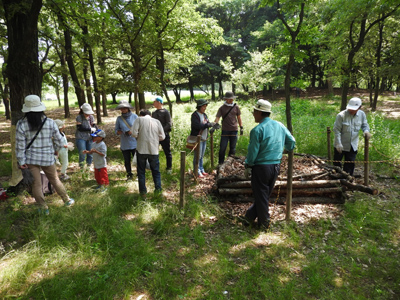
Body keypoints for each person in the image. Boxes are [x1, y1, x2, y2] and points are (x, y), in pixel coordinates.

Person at [16, 95, 75, 215]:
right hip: (48, 158)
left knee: (36, 184)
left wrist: (21, 161)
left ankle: (43, 208)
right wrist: (54, 151)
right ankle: (67, 200)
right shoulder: (50, 122)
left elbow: (20, 146)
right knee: (55, 179)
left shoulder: (21, 124)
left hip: (30, 159)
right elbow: (59, 141)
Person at [241, 99, 295, 230]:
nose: (253, 114)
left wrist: (248, 165)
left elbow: (253, 152)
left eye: (254, 111)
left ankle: (265, 224)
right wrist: (284, 150)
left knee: (262, 196)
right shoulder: (279, 125)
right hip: (276, 166)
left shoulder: (257, 130)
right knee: (263, 195)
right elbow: (291, 142)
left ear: (260, 112)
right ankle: (248, 217)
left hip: (261, 168)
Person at [333, 97, 371, 176]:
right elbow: (336, 130)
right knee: (337, 164)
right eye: (350, 109)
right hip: (340, 144)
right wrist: (338, 144)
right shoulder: (341, 115)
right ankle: (336, 180)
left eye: (354, 109)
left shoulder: (362, 114)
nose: (351, 111)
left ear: (359, 107)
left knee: (350, 164)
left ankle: (347, 180)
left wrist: (366, 131)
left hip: (352, 145)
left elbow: (364, 125)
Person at [131, 109, 165, 196]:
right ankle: (158, 190)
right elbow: (162, 137)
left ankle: (143, 192)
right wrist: (154, 140)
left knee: (141, 172)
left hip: (141, 149)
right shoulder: (157, 121)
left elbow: (134, 133)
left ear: (141, 115)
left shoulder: (139, 119)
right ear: (150, 115)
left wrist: (140, 137)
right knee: (156, 171)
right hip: (154, 150)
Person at [214, 91, 243, 165]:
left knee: (232, 149)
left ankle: (230, 164)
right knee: (222, 148)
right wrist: (215, 125)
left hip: (234, 130)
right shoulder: (222, 108)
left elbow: (239, 118)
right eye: (229, 99)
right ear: (226, 99)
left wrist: (241, 127)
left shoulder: (236, 107)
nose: (231, 100)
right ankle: (220, 164)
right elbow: (217, 117)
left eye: (232, 98)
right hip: (225, 130)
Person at [190, 99, 215, 178]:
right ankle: (197, 172)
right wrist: (207, 125)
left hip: (204, 138)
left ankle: (201, 169)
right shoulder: (194, 115)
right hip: (197, 139)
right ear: (199, 106)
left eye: (205, 106)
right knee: (197, 155)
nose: (205, 108)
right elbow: (197, 126)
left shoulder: (204, 115)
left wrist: (212, 126)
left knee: (201, 155)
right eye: (204, 106)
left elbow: (207, 123)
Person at [115, 100, 138, 180]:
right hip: (125, 143)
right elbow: (116, 130)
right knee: (127, 160)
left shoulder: (135, 116)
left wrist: (132, 131)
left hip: (135, 142)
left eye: (125, 108)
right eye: (122, 108)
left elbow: (140, 128)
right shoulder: (119, 119)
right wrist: (121, 131)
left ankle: (139, 174)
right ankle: (129, 175)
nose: (123, 110)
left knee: (137, 159)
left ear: (128, 108)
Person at [152, 96, 173, 173]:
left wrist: (161, 131)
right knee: (154, 152)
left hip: (165, 135)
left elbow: (169, 124)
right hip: (154, 136)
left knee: (167, 152)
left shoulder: (166, 112)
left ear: (159, 102)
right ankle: (155, 167)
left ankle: (169, 168)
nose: (153, 103)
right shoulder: (153, 113)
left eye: (154, 102)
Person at [75, 103, 97, 168]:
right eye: (86, 113)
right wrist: (90, 129)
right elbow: (80, 128)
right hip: (81, 137)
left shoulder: (91, 117)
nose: (88, 114)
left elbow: (94, 125)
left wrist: (97, 130)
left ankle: (88, 166)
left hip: (89, 137)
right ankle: (81, 167)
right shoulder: (79, 117)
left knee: (90, 153)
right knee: (82, 153)